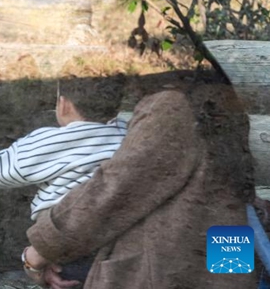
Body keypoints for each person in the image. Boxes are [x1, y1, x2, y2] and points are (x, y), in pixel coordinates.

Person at [22, 81, 256, 289]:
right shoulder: (217, 97)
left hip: (180, 270)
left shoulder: (173, 104)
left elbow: (115, 189)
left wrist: (41, 248)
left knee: (68, 269)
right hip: (221, 259)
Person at [0, 76, 127, 282]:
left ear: (63, 104)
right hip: (114, 244)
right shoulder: (125, 134)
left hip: (64, 243)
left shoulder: (51, 140)